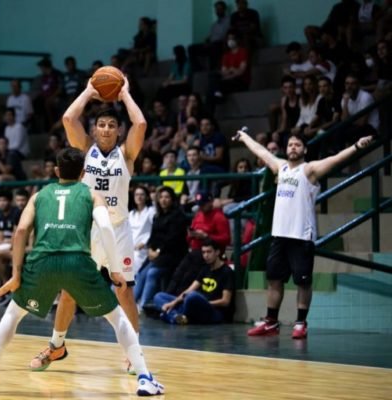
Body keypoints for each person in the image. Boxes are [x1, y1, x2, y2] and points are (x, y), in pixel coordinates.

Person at [0, 148, 164, 396]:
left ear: (57, 171)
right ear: (83, 173)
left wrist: (16, 275)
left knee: (13, 314)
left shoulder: (39, 195)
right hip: (78, 262)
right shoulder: (92, 195)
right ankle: (145, 379)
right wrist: (115, 270)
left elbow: (20, 232)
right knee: (118, 319)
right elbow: (105, 229)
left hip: (42, 262)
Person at [30, 76, 147, 374]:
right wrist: (88, 92)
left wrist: (125, 95)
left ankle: (134, 351)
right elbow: (69, 117)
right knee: (69, 291)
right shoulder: (84, 149)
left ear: (118, 130)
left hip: (118, 230)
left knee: (124, 292)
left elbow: (141, 124)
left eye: (111, 125)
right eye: (102, 125)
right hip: (87, 231)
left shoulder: (127, 154)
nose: (106, 129)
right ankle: (57, 346)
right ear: (94, 130)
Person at [235, 129, 373, 339]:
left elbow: (335, 159)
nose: (293, 147)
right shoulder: (280, 168)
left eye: (297, 145)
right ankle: (271, 322)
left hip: (301, 236)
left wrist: (356, 146)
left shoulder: (309, 170)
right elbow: (261, 151)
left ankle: (301, 323)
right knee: (274, 279)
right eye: (290, 144)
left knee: (303, 282)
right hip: (280, 235)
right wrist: (244, 137)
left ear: (305, 149)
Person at [155, 239, 235, 325]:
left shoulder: (226, 272)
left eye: (209, 252)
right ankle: (177, 317)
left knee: (192, 296)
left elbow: (225, 301)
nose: (206, 255)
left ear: (217, 252)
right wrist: (173, 303)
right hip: (195, 306)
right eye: (203, 252)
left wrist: (203, 304)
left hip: (213, 311)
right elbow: (189, 289)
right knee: (159, 296)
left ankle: (171, 315)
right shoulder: (205, 269)